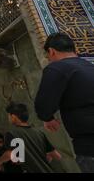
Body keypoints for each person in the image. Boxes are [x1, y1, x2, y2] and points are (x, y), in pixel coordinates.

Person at [34, 32, 94, 173]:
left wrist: (48, 118)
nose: (49, 59)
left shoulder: (57, 68)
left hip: (90, 145)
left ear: (51, 51)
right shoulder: (89, 66)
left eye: (48, 56)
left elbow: (43, 106)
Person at [0, 103, 61, 173]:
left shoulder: (12, 134)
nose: (8, 118)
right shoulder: (39, 133)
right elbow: (57, 156)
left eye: (8, 116)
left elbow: (11, 154)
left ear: (13, 116)